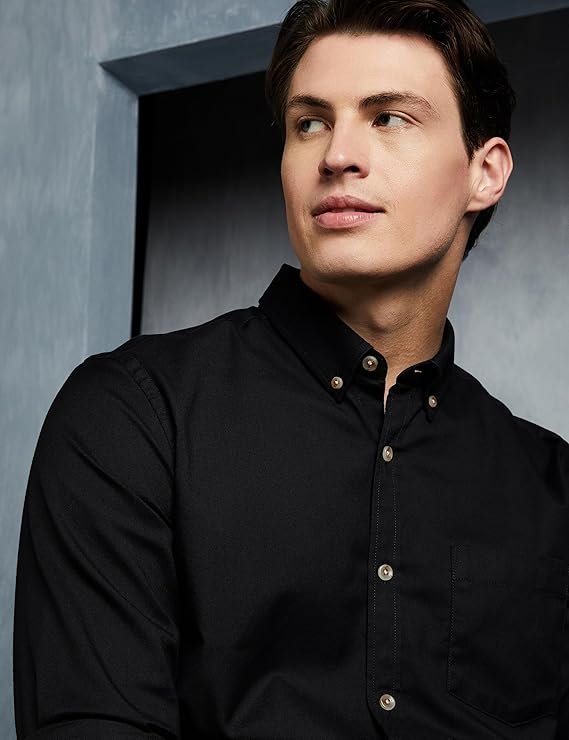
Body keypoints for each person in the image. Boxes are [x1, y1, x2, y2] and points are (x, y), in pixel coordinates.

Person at [13, 0, 569, 737]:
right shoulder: (134, 417)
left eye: (388, 118)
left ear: (484, 173)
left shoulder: (551, 487)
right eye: (310, 122)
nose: (337, 155)